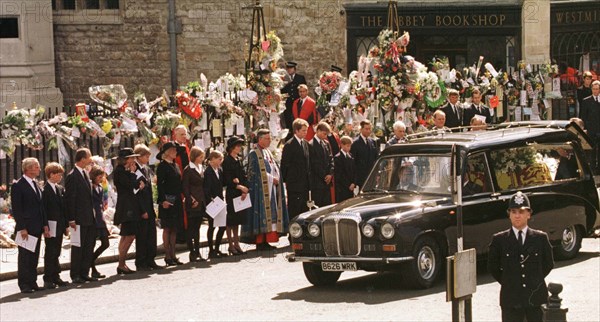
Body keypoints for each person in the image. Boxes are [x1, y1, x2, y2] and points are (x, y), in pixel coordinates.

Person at [487, 191, 554, 322]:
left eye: (521, 212)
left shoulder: (540, 238)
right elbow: (493, 267)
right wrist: (509, 281)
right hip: (511, 298)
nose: (517, 216)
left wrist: (534, 279)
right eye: (513, 212)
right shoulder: (499, 240)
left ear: (529, 214)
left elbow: (548, 264)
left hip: (535, 298)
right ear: (509, 215)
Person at [242, 129, 289, 250]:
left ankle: (267, 240)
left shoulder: (267, 152)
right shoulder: (254, 153)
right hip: (261, 190)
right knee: (262, 213)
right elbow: (254, 173)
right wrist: (271, 178)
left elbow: (272, 167)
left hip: (271, 188)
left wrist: (277, 176)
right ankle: (260, 241)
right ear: (260, 139)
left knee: (271, 214)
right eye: (267, 138)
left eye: (270, 138)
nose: (270, 141)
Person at [12, 158, 49, 293]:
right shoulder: (18, 185)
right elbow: (17, 209)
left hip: (37, 226)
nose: (39, 169)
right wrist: (22, 227)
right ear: (28, 168)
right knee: (25, 257)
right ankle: (24, 284)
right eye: (37, 167)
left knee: (34, 256)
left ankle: (32, 281)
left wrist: (45, 225)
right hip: (26, 228)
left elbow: (41, 207)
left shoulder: (36, 184)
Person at [65, 148, 97, 284]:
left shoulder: (85, 173)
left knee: (88, 246)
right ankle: (75, 274)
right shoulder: (72, 176)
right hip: (78, 219)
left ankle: (84, 272)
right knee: (78, 247)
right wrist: (71, 219)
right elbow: (70, 199)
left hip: (88, 217)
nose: (91, 159)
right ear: (82, 158)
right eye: (89, 157)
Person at [113, 148, 145, 275]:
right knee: (129, 235)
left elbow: (136, 184)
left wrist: (137, 182)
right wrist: (132, 173)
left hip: (130, 205)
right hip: (126, 207)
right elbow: (129, 184)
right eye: (132, 158)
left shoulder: (125, 171)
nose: (134, 160)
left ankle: (122, 263)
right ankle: (121, 263)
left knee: (126, 235)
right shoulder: (120, 171)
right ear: (126, 159)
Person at [134, 144, 163, 270]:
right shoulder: (135, 170)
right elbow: (137, 193)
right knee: (142, 236)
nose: (148, 158)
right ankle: (141, 262)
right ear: (139, 156)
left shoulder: (145, 169)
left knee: (151, 234)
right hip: (142, 208)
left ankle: (151, 259)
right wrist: (142, 210)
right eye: (146, 156)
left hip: (149, 206)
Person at [156, 142, 184, 266]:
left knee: (174, 227)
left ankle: (173, 254)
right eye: (172, 150)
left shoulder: (176, 165)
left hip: (176, 198)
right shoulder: (162, 166)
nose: (175, 152)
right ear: (166, 152)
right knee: (167, 227)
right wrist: (162, 200)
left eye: (175, 150)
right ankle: (167, 255)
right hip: (167, 198)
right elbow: (160, 185)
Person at [42, 162, 69, 289]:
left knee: (57, 251)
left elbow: (63, 208)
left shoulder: (59, 188)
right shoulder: (45, 190)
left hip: (59, 225)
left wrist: (66, 226)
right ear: (51, 174)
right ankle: (48, 277)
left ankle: (56, 276)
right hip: (50, 225)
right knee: (50, 252)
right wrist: (45, 226)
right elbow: (44, 210)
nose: (60, 177)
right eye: (58, 174)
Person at [222, 136, 249, 255]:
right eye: (237, 146)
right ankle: (230, 244)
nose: (239, 148)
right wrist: (239, 187)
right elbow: (227, 180)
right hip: (232, 193)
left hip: (240, 193)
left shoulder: (238, 159)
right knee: (231, 220)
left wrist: (244, 189)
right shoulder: (227, 161)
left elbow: (243, 176)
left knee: (237, 220)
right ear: (231, 147)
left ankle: (236, 243)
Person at [281, 118, 311, 219]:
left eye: (306, 130)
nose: (305, 133)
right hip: (294, 184)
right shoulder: (289, 145)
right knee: (294, 209)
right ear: (296, 131)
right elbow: (285, 164)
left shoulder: (306, 144)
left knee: (304, 209)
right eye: (303, 130)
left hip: (304, 185)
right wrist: (286, 181)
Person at [182, 147, 207, 262]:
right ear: (194, 157)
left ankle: (197, 252)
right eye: (200, 157)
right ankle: (192, 252)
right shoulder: (188, 169)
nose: (202, 159)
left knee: (197, 228)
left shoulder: (201, 168)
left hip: (201, 201)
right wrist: (191, 199)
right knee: (191, 228)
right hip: (193, 202)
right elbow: (185, 188)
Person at [204, 150, 228, 258]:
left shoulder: (220, 170)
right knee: (212, 226)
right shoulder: (208, 171)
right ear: (212, 159)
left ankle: (217, 248)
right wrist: (210, 199)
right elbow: (206, 188)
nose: (221, 161)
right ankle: (211, 250)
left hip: (220, 201)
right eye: (219, 159)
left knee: (222, 226)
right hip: (212, 202)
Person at [89, 165, 109, 279]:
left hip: (100, 218)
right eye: (98, 176)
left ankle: (91, 260)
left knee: (106, 243)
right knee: (91, 244)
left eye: (102, 176)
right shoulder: (90, 187)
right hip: (93, 218)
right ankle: (92, 268)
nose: (100, 178)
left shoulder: (101, 188)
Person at [309, 122, 334, 207]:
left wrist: (330, 174)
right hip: (317, 182)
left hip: (327, 182)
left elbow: (331, 159)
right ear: (318, 131)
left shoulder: (326, 143)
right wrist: (324, 176)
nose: (325, 136)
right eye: (324, 134)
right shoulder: (311, 144)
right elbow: (314, 164)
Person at [172, 125, 190, 244]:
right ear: (175, 135)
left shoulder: (186, 147)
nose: (184, 137)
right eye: (181, 134)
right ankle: (180, 234)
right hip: (177, 181)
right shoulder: (172, 147)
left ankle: (187, 232)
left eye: (185, 134)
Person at [578, 80, 600, 172]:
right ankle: (593, 169)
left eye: (597, 89)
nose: (595, 91)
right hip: (592, 130)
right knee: (592, 149)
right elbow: (583, 116)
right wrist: (586, 128)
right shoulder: (586, 101)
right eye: (594, 89)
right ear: (591, 89)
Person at [281, 61, 307, 137]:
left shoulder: (300, 78)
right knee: (288, 122)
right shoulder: (284, 78)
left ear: (294, 69)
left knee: (298, 120)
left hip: (298, 103)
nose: (289, 70)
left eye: (291, 68)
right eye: (288, 68)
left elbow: (303, 89)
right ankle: (289, 137)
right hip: (288, 104)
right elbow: (282, 90)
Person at [351, 120, 379, 188]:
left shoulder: (372, 142)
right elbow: (353, 162)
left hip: (371, 176)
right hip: (360, 177)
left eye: (369, 129)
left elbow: (376, 158)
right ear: (361, 129)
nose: (368, 131)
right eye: (366, 129)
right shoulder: (355, 143)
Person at [334, 136, 357, 203]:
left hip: (351, 186)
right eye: (347, 146)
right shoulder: (338, 157)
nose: (349, 148)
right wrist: (347, 185)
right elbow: (339, 174)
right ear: (342, 145)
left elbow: (354, 171)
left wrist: (353, 183)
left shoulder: (351, 156)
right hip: (342, 188)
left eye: (350, 146)